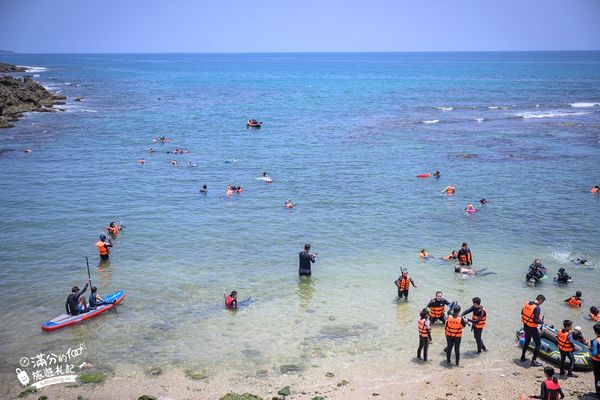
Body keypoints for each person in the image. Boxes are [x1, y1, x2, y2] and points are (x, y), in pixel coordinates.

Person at [520, 294, 546, 367]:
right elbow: (535, 320)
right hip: (532, 328)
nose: (541, 303)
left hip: (525, 325)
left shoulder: (527, 303)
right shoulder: (537, 308)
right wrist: (541, 322)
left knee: (527, 341)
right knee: (538, 344)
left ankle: (522, 357)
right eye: (542, 302)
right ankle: (533, 361)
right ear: (540, 300)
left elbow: (522, 313)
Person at [590, 323, 600, 398]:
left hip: (597, 362)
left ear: (595, 332)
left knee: (597, 378)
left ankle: (598, 394)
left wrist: (590, 350)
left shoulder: (595, 341)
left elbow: (594, 353)